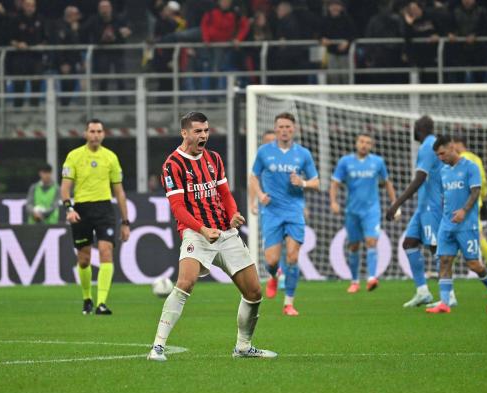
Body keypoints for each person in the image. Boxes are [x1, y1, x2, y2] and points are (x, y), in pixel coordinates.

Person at [148, 111, 276, 361]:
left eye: (206, 130)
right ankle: (157, 347)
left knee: (253, 292)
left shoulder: (214, 158)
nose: (204, 135)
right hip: (197, 234)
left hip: (225, 233)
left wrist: (233, 214)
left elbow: (225, 194)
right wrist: (202, 229)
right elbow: (178, 208)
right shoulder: (172, 165)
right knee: (185, 282)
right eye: (198, 131)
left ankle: (243, 347)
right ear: (184, 133)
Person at [248, 112, 319, 316]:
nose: (284, 130)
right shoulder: (264, 152)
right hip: (271, 211)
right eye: (281, 127)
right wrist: (259, 195)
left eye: (288, 126)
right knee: (270, 261)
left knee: (293, 257)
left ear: (294, 129)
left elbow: (316, 181)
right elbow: (253, 177)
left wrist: (303, 183)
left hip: (294, 210)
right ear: (276, 128)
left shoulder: (303, 154)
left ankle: (288, 303)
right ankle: (274, 275)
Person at [60, 119, 130, 315]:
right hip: (81, 210)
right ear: (85, 134)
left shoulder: (110, 157)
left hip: (104, 209)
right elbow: (65, 188)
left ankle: (101, 303)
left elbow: (119, 191)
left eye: (99, 131)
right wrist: (69, 209)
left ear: (103, 134)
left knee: (106, 251)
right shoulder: (74, 156)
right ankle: (87, 298)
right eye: (92, 131)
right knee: (84, 258)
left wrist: (125, 221)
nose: (96, 135)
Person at [427, 136, 487, 314]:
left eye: (442, 153)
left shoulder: (470, 167)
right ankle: (444, 303)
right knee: (444, 260)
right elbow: (446, 196)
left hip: (467, 225)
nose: (441, 158)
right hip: (447, 224)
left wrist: (463, 211)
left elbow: (476, 192)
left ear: (452, 147)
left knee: (474, 264)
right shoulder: (443, 171)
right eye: (438, 155)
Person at [386, 116, 452, 308]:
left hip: (433, 205)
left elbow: (420, 178)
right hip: (423, 206)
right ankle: (423, 292)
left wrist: (396, 203)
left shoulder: (428, 146)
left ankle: (450, 295)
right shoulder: (430, 145)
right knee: (409, 243)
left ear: (418, 129)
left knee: (436, 249)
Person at [330, 133, 397, 293]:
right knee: (353, 246)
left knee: (371, 241)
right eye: (361, 141)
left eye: (368, 142)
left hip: (371, 210)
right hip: (352, 210)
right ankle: (354, 281)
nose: (364, 145)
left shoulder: (378, 162)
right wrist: (333, 201)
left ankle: (372, 278)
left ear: (372, 145)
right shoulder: (345, 162)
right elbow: (335, 183)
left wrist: (394, 203)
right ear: (356, 143)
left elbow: (387, 183)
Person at [452, 135, 487, 282]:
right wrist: (482, 196)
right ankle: (445, 268)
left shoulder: (460, 160)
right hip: (476, 202)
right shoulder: (477, 159)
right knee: (460, 235)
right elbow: (484, 181)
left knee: (474, 237)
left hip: (464, 204)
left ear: (457, 143)